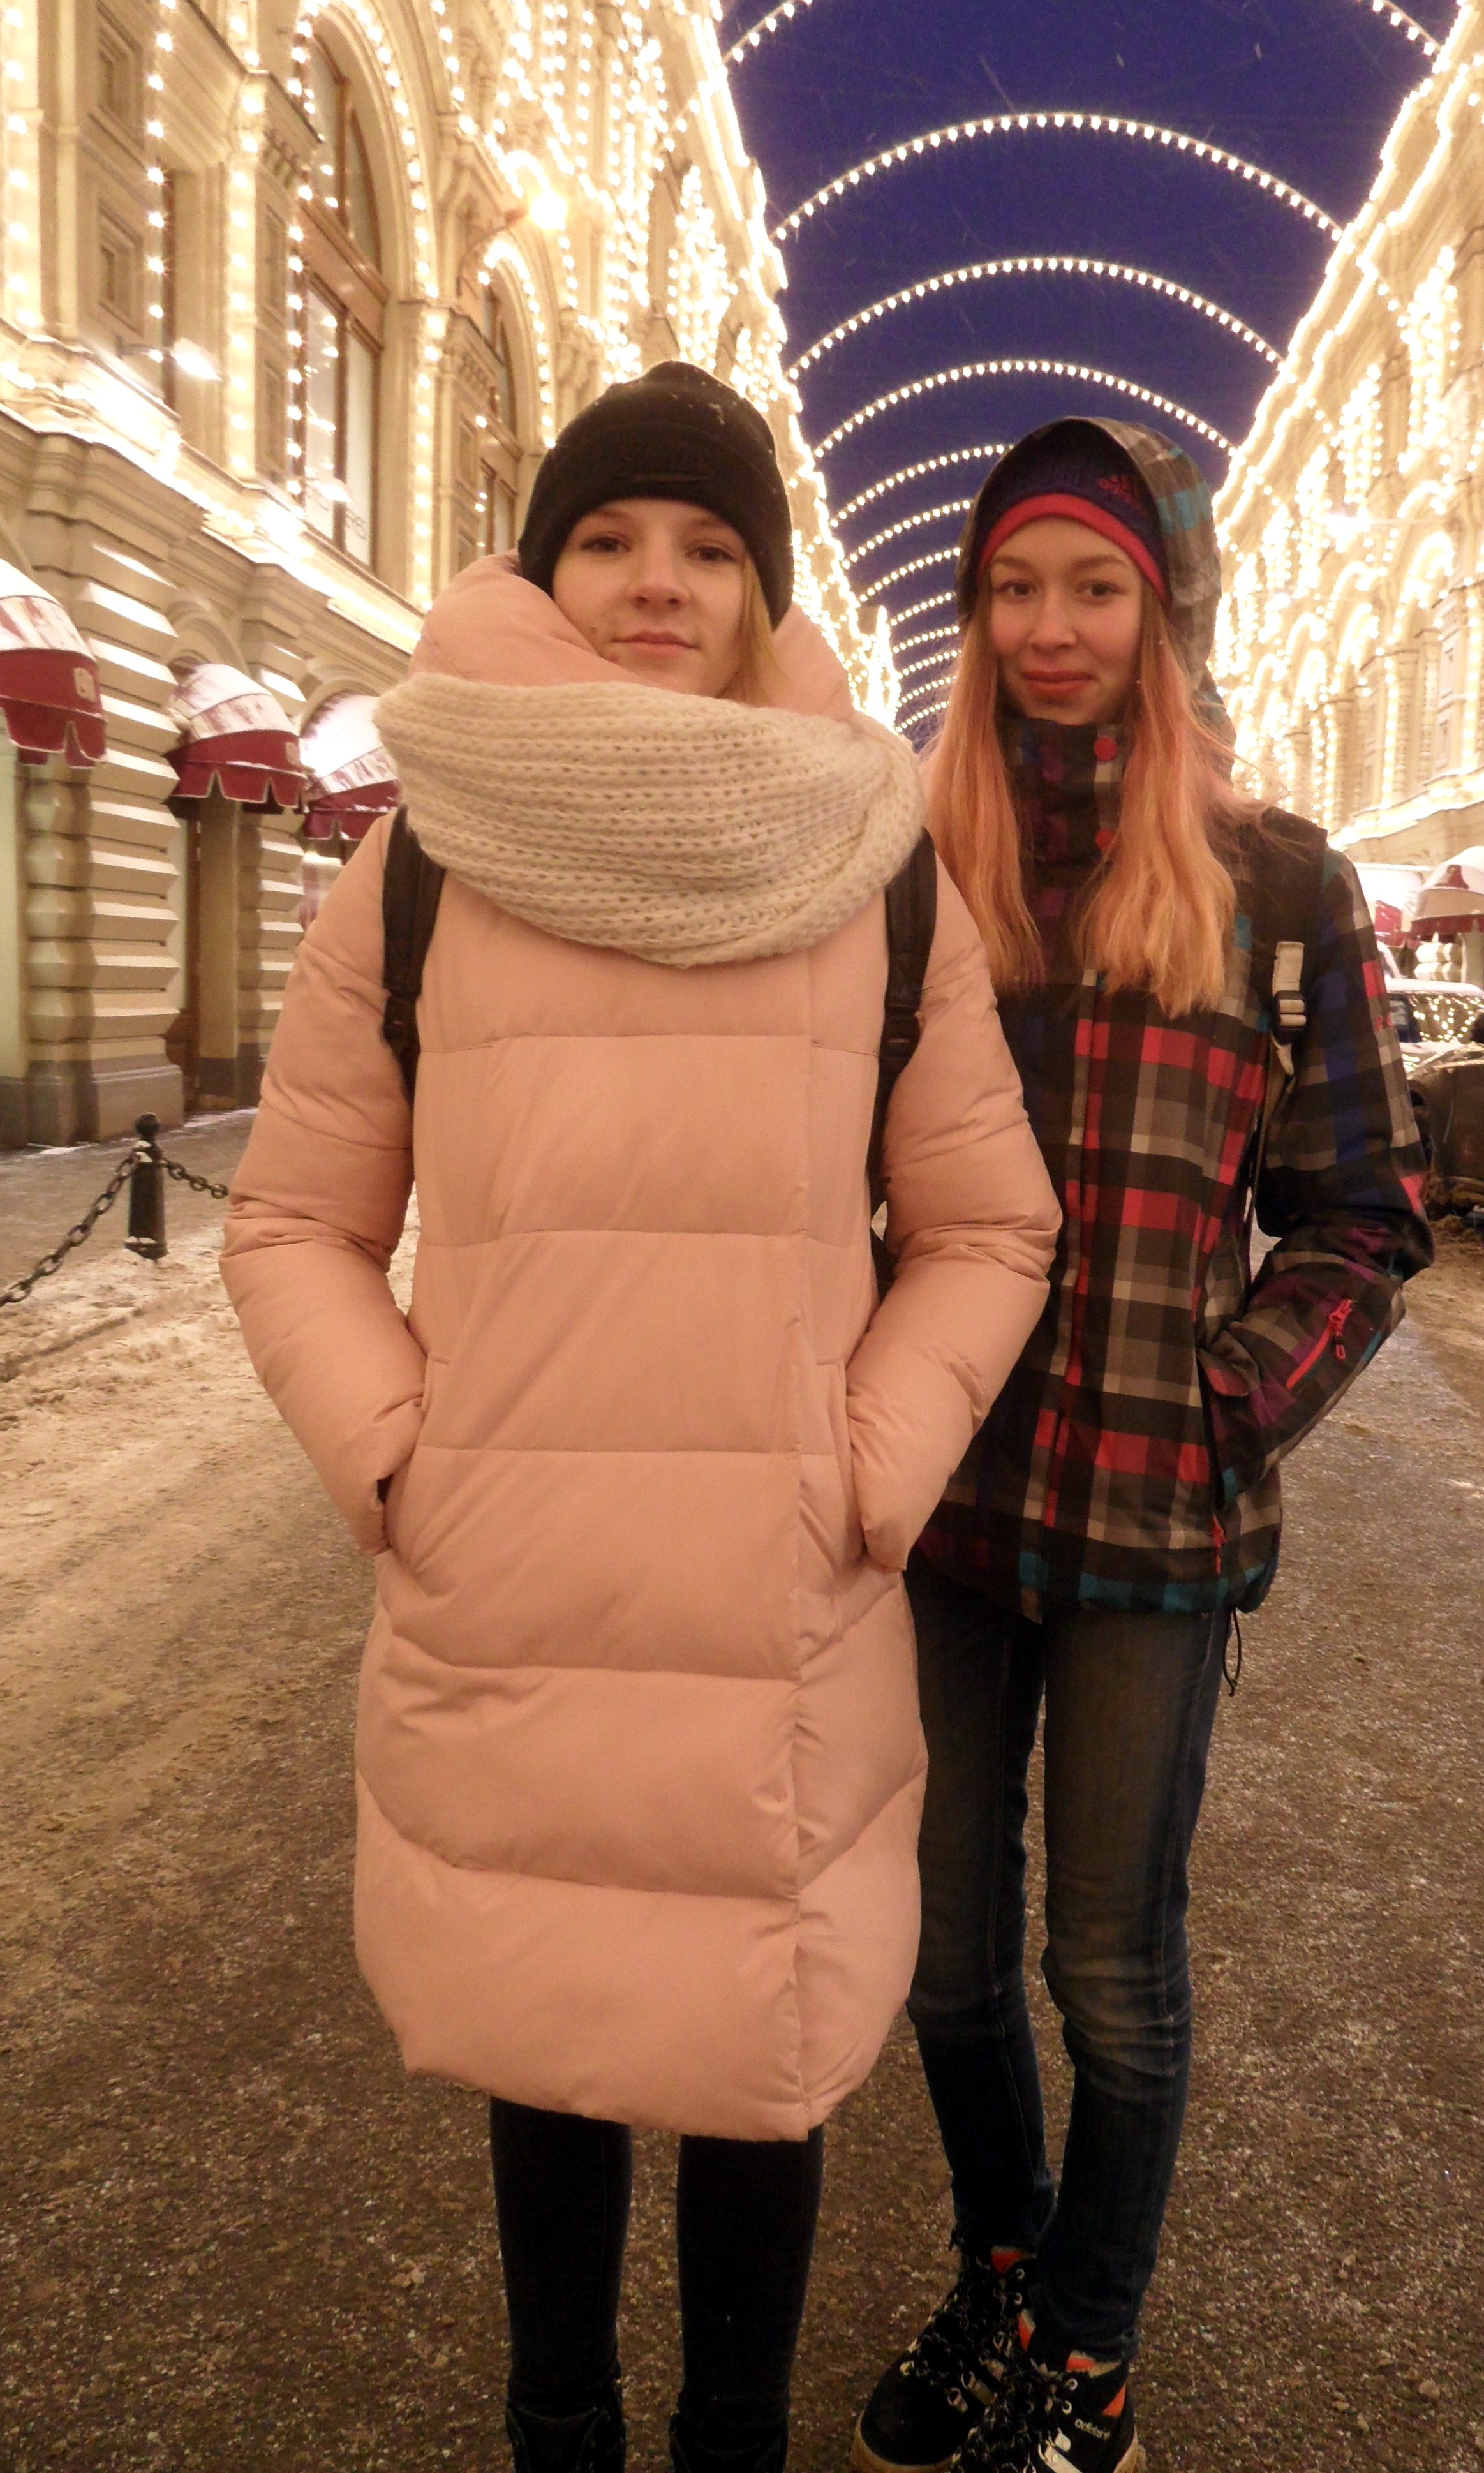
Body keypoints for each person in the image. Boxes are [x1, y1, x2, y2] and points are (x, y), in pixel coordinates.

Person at [221, 364, 1060, 2473]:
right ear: (544, 568)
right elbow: (297, 1219)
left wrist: (869, 1463)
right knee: (551, 2036)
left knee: (763, 2058)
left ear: (764, 591)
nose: (655, 583)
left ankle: (731, 2445)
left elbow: (988, 1226)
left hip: (777, 1594)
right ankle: (563, 2432)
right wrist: (402, 1456)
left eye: (705, 547)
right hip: (516, 1590)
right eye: (606, 540)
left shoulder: (874, 867)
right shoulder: (421, 859)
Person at [851, 420, 1432, 2473]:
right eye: (1014, 587)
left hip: (1150, 1525)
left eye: (1094, 587)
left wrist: (1231, 1397)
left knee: (1109, 1971)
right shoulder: (915, 876)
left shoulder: (1279, 886)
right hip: (942, 1505)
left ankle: (1085, 2351)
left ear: (1163, 618)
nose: (1052, 627)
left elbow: (1367, 1212)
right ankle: (1007, 2269)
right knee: (939, 1964)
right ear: (973, 619)